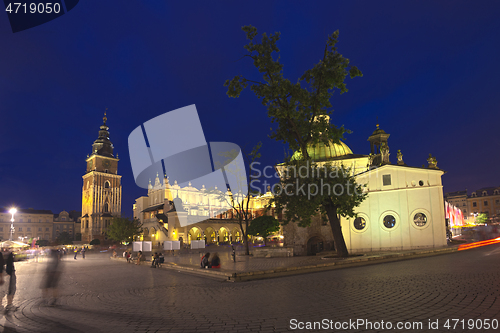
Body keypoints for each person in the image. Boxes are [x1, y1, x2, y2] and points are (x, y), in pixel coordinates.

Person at [0, 247, 17, 314]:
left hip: (7, 272)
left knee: (6, 289)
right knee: (9, 289)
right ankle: (8, 305)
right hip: (7, 273)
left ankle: (7, 305)